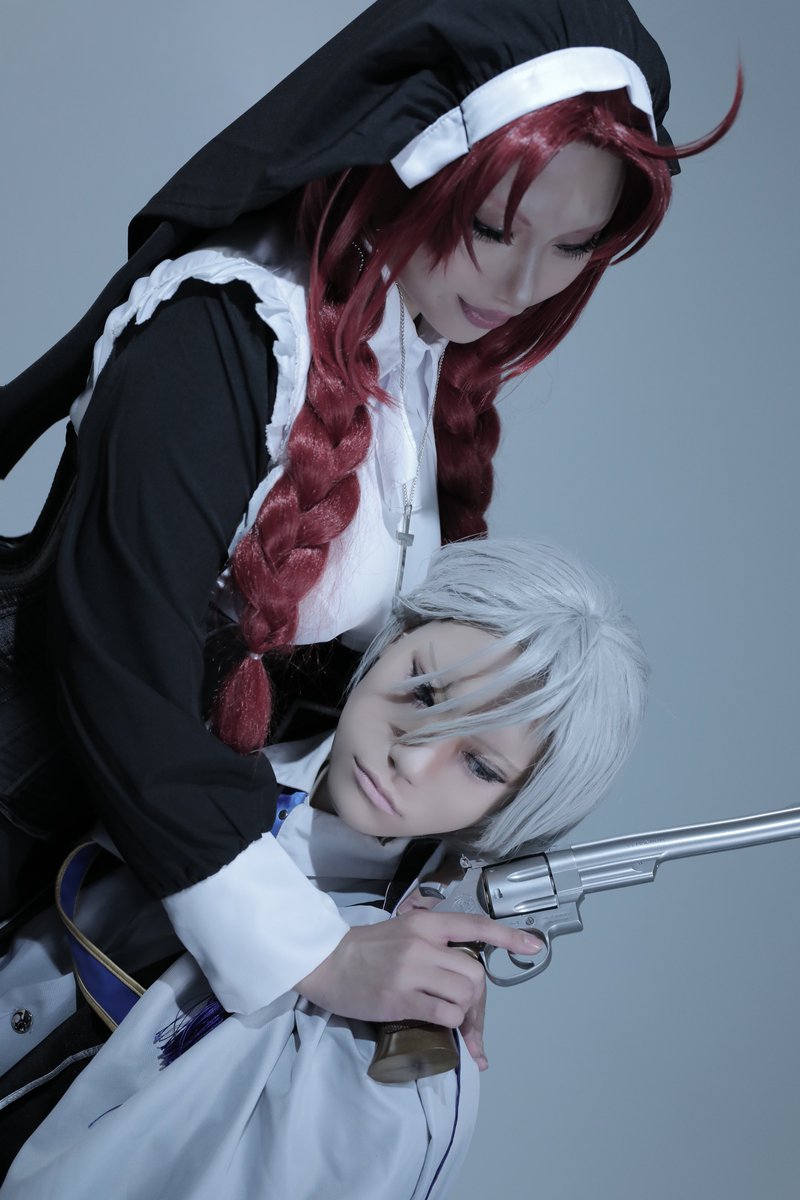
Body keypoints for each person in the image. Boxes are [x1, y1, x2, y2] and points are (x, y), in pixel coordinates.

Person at [0, 0, 737, 1061]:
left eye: (573, 246)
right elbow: (118, 658)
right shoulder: (223, 331)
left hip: (133, 874)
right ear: (409, 165)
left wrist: (404, 933)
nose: (522, 286)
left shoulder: (416, 346)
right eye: (493, 228)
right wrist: (315, 953)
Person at [0, 536, 648, 1197]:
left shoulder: (382, 1043)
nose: (411, 759)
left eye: (480, 766)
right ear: (396, 636)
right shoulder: (206, 687)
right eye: (425, 692)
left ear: (516, 804)